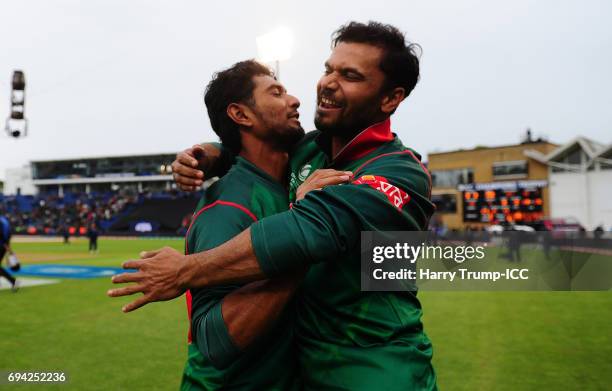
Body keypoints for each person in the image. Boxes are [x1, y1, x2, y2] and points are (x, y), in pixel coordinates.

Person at [110, 21, 437, 390]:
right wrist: (209, 155)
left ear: (390, 98)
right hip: (308, 373)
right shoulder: (309, 151)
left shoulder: (399, 173)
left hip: (378, 370)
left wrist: (185, 270)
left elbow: (313, 229)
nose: (327, 83)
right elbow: (254, 148)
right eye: (328, 69)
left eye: (350, 76)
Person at [178, 60, 344, 390]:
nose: (294, 100)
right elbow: (214, 340)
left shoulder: (291, 176)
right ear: (241, 115)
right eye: (276, 92)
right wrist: (304, 238)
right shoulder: (226, 208)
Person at [0, 215, 19, 292]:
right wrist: (8, 246)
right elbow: (9, 233)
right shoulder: (4, 220)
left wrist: (6, 245)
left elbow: (1, 234)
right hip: (3, 245)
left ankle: (14, 281)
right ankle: (13, 281)